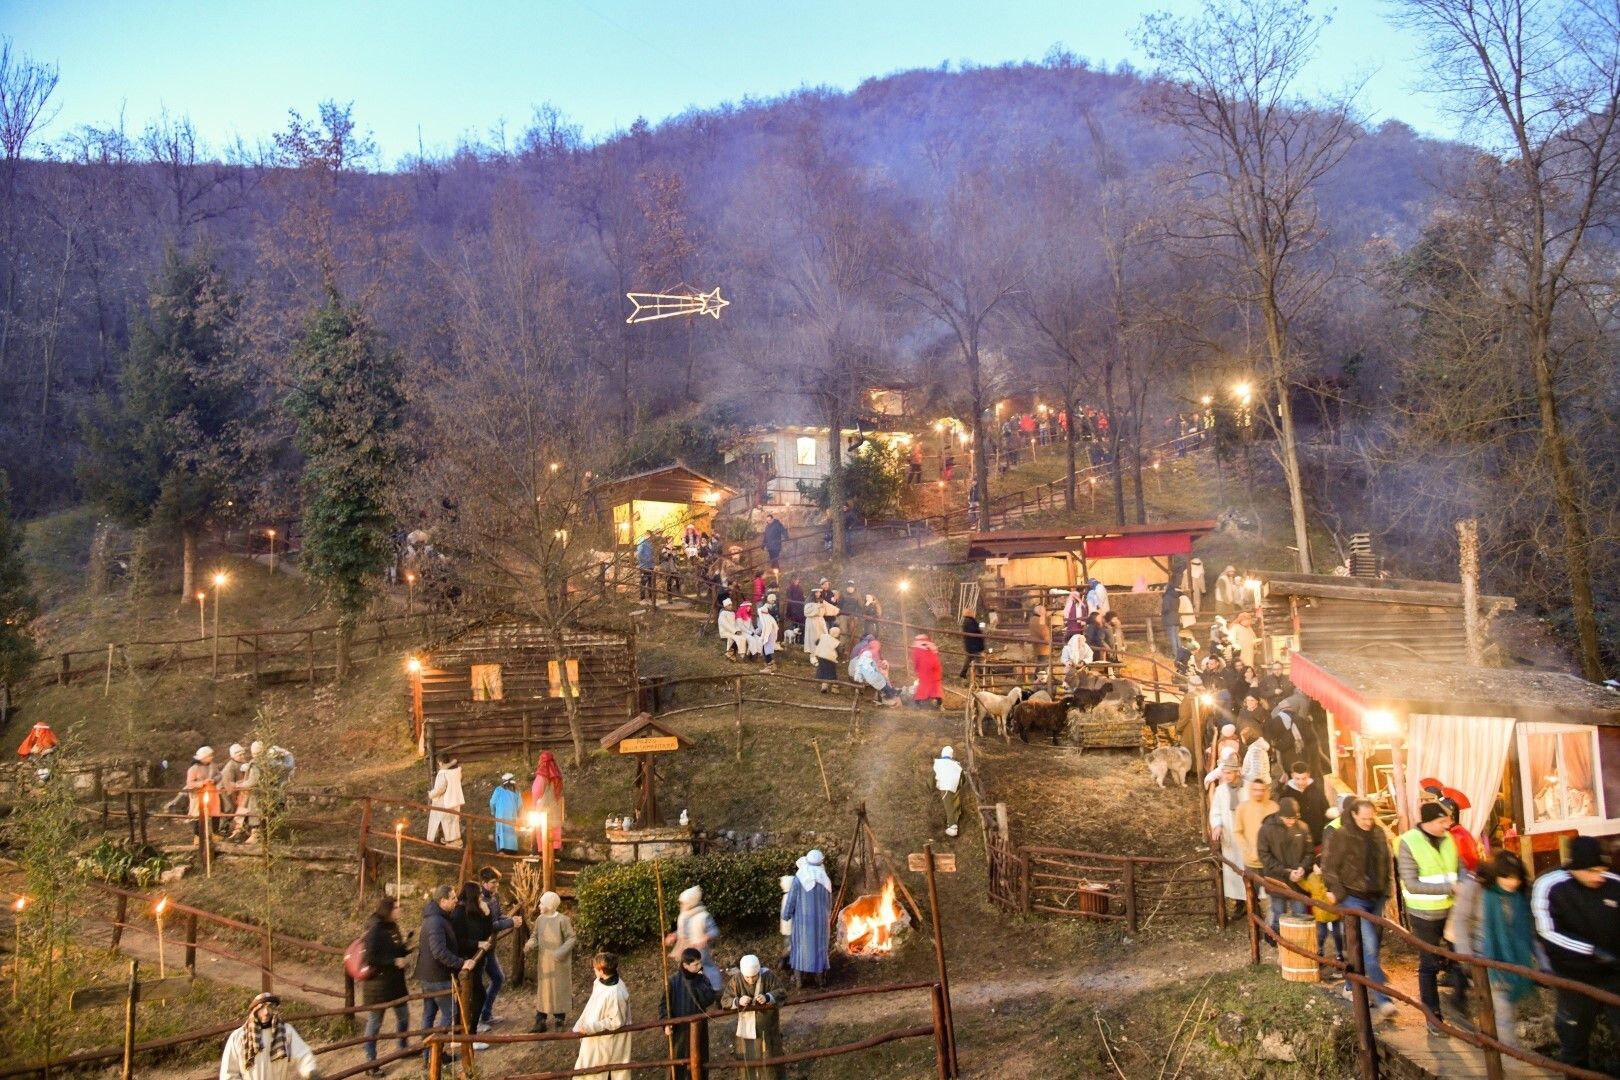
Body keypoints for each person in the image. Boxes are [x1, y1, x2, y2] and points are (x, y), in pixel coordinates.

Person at [1531, 835, 1620, 1069]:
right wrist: (1591, 951)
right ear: (1575, 867)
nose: (1598, 876)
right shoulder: (1550, 885)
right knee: (1574, 1035)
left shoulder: (1614, 884)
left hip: (1613, 972)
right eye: (1591, 871)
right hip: (1573, 975)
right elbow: (1547, 932)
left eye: (1602, 869)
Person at [1322, 799, 1398, 1023]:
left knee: (1361, 944)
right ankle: (1384, 1000)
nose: (1367, 822)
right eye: (1363, 818)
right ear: (1354, 815)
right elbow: (1329, 866)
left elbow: (1386, 862)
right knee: (1370, 947)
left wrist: (1386, 891)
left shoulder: (1378, 834)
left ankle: (1350, 983)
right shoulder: (1341, 835)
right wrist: (1337, 891)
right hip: (1353, 897)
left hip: (1375, 896)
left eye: (1370, 818)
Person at [1450, 850, 1535, 1049]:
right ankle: (1509, 1057)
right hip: (1485, 957)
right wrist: (1466, 958)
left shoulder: (1521, 895)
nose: (1512, 882)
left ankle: (1494, 1048)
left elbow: (1528, 928)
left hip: (1513, 958)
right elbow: (1460, 922)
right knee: (1503, 1010)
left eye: (1516, 878)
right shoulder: (1476, 889)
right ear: (1496, 874)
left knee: (1502, 1009)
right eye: (1506, 877)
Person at [1397, 801, 1462, 1034]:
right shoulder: (1408, 842)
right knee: (1429, 964)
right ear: (1427, 822)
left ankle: (1459, 1005)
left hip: (1452, 910)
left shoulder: (1449, 839)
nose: (1447, 825)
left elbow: (1459, 866)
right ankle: (1433, 1016)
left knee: (1461, 957)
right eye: (1442, 821)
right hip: (1424, 914)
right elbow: (1411, 884)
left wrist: (1462, 883)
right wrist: (1449, 887)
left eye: (1448, 821)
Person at [416, 885, 474, 1062]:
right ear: (442, 901)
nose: (457, 900)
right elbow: (439, 951)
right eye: (453, 898)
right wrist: (461, 963)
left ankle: (429, 1056)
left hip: (429, 975)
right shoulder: (436, 921)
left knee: (429, 1014)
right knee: (449, 1013)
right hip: (437, 976)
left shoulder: (437, 918)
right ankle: (435, 1053)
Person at [359, 897, 411, 1074]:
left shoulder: (393, 926)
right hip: (378, 985)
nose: (399, 910)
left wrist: (406, 947)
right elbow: (371, 958)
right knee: (375, 1023)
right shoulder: (375, 929)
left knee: (404, 1016)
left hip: (396, 984)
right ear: (387, 910)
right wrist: (393, 961)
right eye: (396, 907)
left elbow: (396, 950)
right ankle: (370, 1063)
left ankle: (403, 1046)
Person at [220, 992, 318, 1080]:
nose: (266, 1012)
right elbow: (228, 1073)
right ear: (255, 1011)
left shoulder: (285, 1032)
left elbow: (303, 1055)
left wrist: (310, 1071)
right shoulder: (239, 1037)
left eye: (270, 1007)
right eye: (262, 1008)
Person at [722, 954, 788, 1079]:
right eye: (747, 977)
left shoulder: (768, 976)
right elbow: (725, 1000)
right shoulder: (736, 980)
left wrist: (768, 997)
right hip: (746, 1029)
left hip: (767, 1027)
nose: (751, 980)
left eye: (754, 977)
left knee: (770, 1058)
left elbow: (782, 992)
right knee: (748, 1059)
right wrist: (738, 1001)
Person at [1257, 797, 1313, 937]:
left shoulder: (1303, 828)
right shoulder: (1266, 829)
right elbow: (1265, 857)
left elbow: (1309, 852)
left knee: (1300, 915)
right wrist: (1287, 872)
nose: (1291, 821)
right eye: (1288, 818)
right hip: (1276, 880)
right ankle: (1274, 938)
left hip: (1298, 882)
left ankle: (1299, 944)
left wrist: (1303, 868)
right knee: (1278, 914)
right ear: (1280, 814)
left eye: (1294, 818)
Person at [661, 946, 720, 1080]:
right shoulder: (672, 982)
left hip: (699, 1028)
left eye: (700, 963)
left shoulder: (702, 979)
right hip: (679, 1031)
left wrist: (697, 983)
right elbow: (664, 1005)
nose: (699, 966)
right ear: (685, 965)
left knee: (700, 1060)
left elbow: (708, 999)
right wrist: (665, 1024)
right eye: (695, 964)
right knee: (679, 1064)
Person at [573, 952, 632, 1080]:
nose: (593, 970)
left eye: (595, 968)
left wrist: (591, 1027)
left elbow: (616, 1021)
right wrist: (581, 1024)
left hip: (607, 1041)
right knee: (587, 1071)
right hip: (593, 1039)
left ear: (601, 970)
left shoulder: (616, 992)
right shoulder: (599, 982)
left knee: (603, 1072)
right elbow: (592, 1005)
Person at [450, 880, 494, 1046]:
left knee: (471, 996)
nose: (482, 897)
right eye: (480, 895)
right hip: (465, 962)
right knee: (471, 995)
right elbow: (458, 941)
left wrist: (487, 914)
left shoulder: (475, 911)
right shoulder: (459, 914)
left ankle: (464, 1033)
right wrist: (476, 944)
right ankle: (468, 1035)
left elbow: (486, 932)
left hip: (477, 961)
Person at [477, 868, 521, 1028]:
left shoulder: (494, 897)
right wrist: (510, 923)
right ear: (483, 883)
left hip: (490, 948)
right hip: (480, 949)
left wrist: (511, 918)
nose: (496, 885)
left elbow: (498, 916)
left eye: (497, 882)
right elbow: (489, 925)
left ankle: (485, 1013)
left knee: (498, 978)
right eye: (493, 883)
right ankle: (476, 1020)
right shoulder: (480, 900)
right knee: (477, 987)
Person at [781, 849, 832, 988]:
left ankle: (799, 981)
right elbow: (829, 903)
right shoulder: (825, 880)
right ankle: (820, 980)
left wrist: (786, 915)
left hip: (802, 923)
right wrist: (829, 915)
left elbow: (791, 899)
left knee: (800, 949)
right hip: (821, 923)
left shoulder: (800, 878)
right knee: (819, 949)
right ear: (820, 862)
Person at [528, 890, 576, 1032]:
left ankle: (559, 1019)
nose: (539, 906)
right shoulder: (540, 920)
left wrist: (560, 952)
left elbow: (571, 938)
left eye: (542, 903)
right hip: (544, 961)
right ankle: (540, 1020)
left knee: (559, 989)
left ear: (549, 905)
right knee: (544, 991)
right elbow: (535, 935)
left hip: (560, 963)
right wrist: (530, 943)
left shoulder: (563, 920)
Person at [1234, 777, 1279, 925]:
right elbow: (1238, 832)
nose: (1259, 793)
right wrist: (1248, 850)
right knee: (1252, 896)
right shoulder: (1243, 808)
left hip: (1270, 862)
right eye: (1255, 790)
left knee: (1274, 896)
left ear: (1266, 790)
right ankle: (1254, 928)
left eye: (1262, 790)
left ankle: (1272, 929)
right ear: (1250, 790)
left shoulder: (1274, 807)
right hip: (1251, 861)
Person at [1207, 755, 1248, 913]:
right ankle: (1240, 903)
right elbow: (1215, 811)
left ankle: (1254, 902)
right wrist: (1217, 826)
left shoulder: (1246, 788)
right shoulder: (1220, 791)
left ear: (1236, 773)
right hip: (1230, 835)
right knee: (1233, 869)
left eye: (1229, 773)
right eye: (1224, 772)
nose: (1226, 776)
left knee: (1248, 868)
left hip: (1245, 836)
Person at [667, 886, 722, 990]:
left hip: (699, 949)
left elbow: (714, 930)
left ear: (691, 902)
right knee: (686, 968)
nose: (681, 905)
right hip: (685, 948)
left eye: (684, 903)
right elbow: (683, 931)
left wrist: (706, 937)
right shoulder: (683, 915)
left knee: (705, 966)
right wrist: (674, 935)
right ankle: (690, 990)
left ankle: (716, 989)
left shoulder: (703, 916)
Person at [1274, 762, 1329, 845]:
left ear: (1308, 775)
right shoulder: (1285, 795)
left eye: (1304, 778)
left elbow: (1325, 811)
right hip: (1297, 842)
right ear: (1292, 776)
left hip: (1318, 839)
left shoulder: (1317, 791)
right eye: (1297, 778)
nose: (1301, 782)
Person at [426, 755, 464, 846]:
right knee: (454, 821)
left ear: (440, 762)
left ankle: (452, 842)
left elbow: (440, 788)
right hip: (455, 799)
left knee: (446, 821)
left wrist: (431, 794)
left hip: (445, 801)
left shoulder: (443, 773)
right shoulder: (456, 772)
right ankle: (455, 840)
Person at [531, 750, 565, 854]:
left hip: (543, 809)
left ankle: (544, 853)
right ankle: (555, 849)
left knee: (542, 830)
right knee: (554, 829)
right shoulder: (558, 777)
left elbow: (536, 792)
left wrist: (534, 804)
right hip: (556, 808)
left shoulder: (541, 776)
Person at [185, 746, 220, 844]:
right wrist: (203, 782)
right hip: (199, 795)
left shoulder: (213, 766)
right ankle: (198, 836)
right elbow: (189, 783)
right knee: (198, 814)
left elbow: (219, 775)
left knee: (215, 813)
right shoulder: (194, 769)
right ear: (203, 757)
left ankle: (215, 834)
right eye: (209, 756)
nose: (211, 757)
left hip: (212, 793)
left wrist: (214, 780)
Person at [851, 639, 900, 705]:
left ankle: (891, 692)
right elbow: (873, 668)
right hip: (864, 677)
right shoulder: (871, 654)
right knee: (882, 682)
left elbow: (874, 666)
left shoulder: (864, 653)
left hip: (856, 674)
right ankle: (890, 695)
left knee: (882, 680)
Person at [934, 745, 964, 838]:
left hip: (946, 787)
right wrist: (960, 785)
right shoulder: (956, 764)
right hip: (956, 787)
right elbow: (963, 776)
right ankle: (956, 819)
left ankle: (952, 828)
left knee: (949, 807)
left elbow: (933, 776)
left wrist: (929, 787)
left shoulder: (938, 763)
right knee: (955, 803)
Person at [490, 774, 521, 854]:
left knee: (501, 831)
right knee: (511, 831)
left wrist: (493, 811)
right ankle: (512, 849)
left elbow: (492, 802)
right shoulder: (516, 791)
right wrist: (519, 815)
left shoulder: (499, 790)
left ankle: (502, 850)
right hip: (512, 816)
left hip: (501, 815)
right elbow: (520, 805)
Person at [910, 633, 943, 708]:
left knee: (923, 686)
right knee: (935, 686)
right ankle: (939, 702)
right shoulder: (931, 645)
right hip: (935, 668)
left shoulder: (917, 649)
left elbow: (916, 661)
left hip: (925, 669)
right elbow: (936, 657)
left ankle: (917, 703)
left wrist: (916, 669)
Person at [813, 625, 842, 692]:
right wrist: (839, 656)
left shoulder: (823, 636)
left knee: (823, 670)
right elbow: (838, 651)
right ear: (837, 634)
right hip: (830, 658)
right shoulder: (836, 642)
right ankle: (834, 688)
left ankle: (824, 686)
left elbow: (816, 642)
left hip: (820, 656)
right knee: (831, 672)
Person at [959, 608, 985, 679]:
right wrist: (979, 629)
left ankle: (963, 673)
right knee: (977, 658)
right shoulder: (968, 621)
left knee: (969, 658)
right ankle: (980, 674)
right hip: (973, 644)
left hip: (971, 643)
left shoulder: (968, 621)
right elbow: (973, 630)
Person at [777, 876, 795, 972]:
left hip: (786, 928)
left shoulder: (785, 896)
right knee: (790, 946)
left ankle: (785, 962)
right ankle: (783, 961)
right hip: (790, 927)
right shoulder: (790, 897)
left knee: (788, 945)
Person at [637, 532, 656, 600]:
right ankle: (642, 597)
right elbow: (639, 554)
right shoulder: (642, 543)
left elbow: (652, 554)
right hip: (644, 566)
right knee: (644, 581)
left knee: (650, 581)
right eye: (649, 536)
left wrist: (652, 561)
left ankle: (650, 596)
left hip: (650, 565)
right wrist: (645, 561)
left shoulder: (649, 543)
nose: (650, 537)